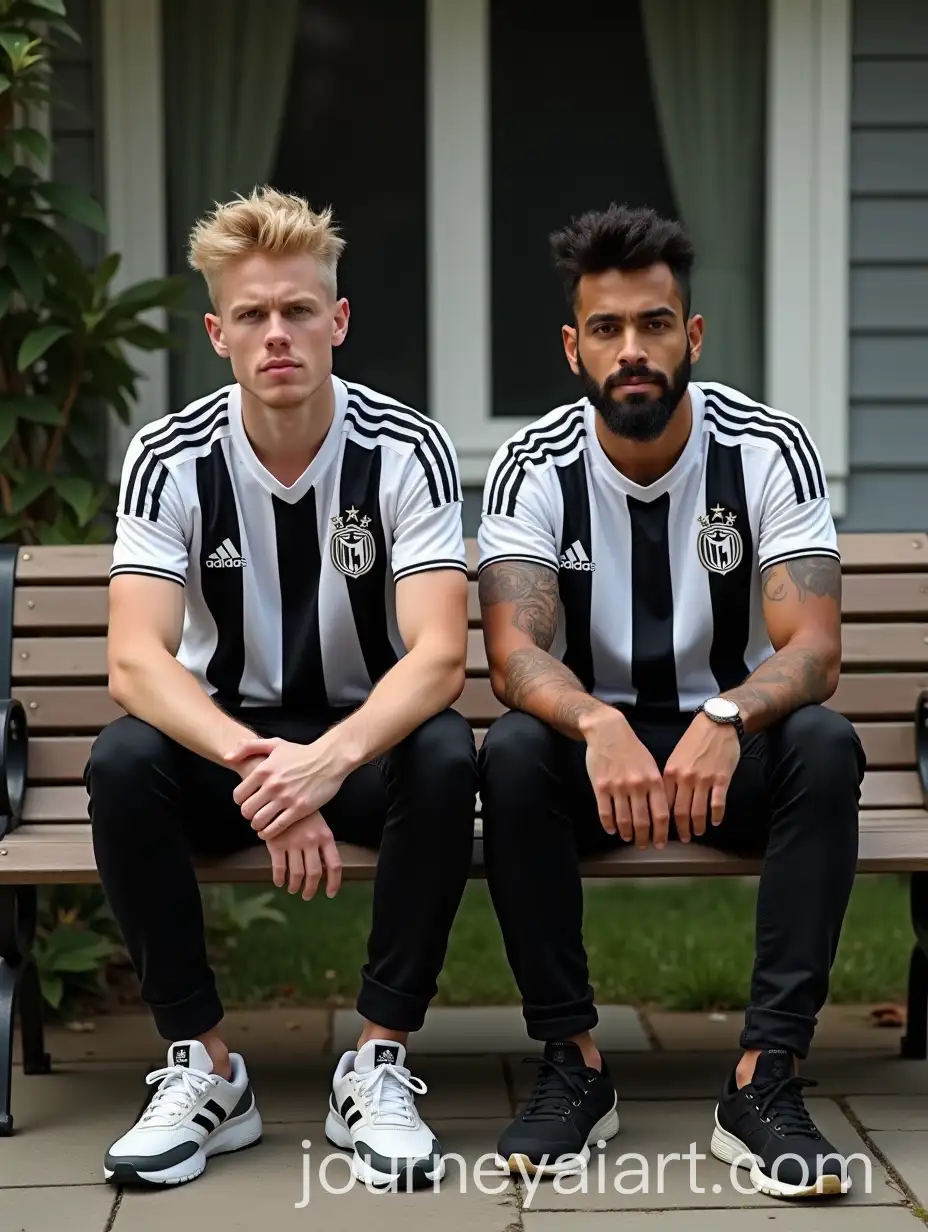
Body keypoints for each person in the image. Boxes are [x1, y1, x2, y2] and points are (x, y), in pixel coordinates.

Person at [87, 186, 477, 1190]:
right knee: (123, 760)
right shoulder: (167, 456)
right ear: (218, 333)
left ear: (335, 319)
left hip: (356, 739)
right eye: (252, 315)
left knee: (441, 750)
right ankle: (205, 1068)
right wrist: (263, 767)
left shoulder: (406, 447)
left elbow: (438, 655)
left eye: (298, 310)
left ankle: (379, 1058)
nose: (277, 334)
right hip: (230, 746)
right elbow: (136, 660)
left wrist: (326, 761)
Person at [476, 203, 864, 1199]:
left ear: (691, 334)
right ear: (574, 348)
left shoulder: (765, 448)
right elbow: (513, 655)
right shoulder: (534, 463)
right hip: (597, 765)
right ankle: (573, 1064)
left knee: (824, 743)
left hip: (731, 754)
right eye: (606, 329)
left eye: (654, 324)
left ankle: (762, 1075)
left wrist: (727, 717)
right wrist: (599, 721)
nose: (632, 350)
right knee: (513, 752)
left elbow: (813, 649)